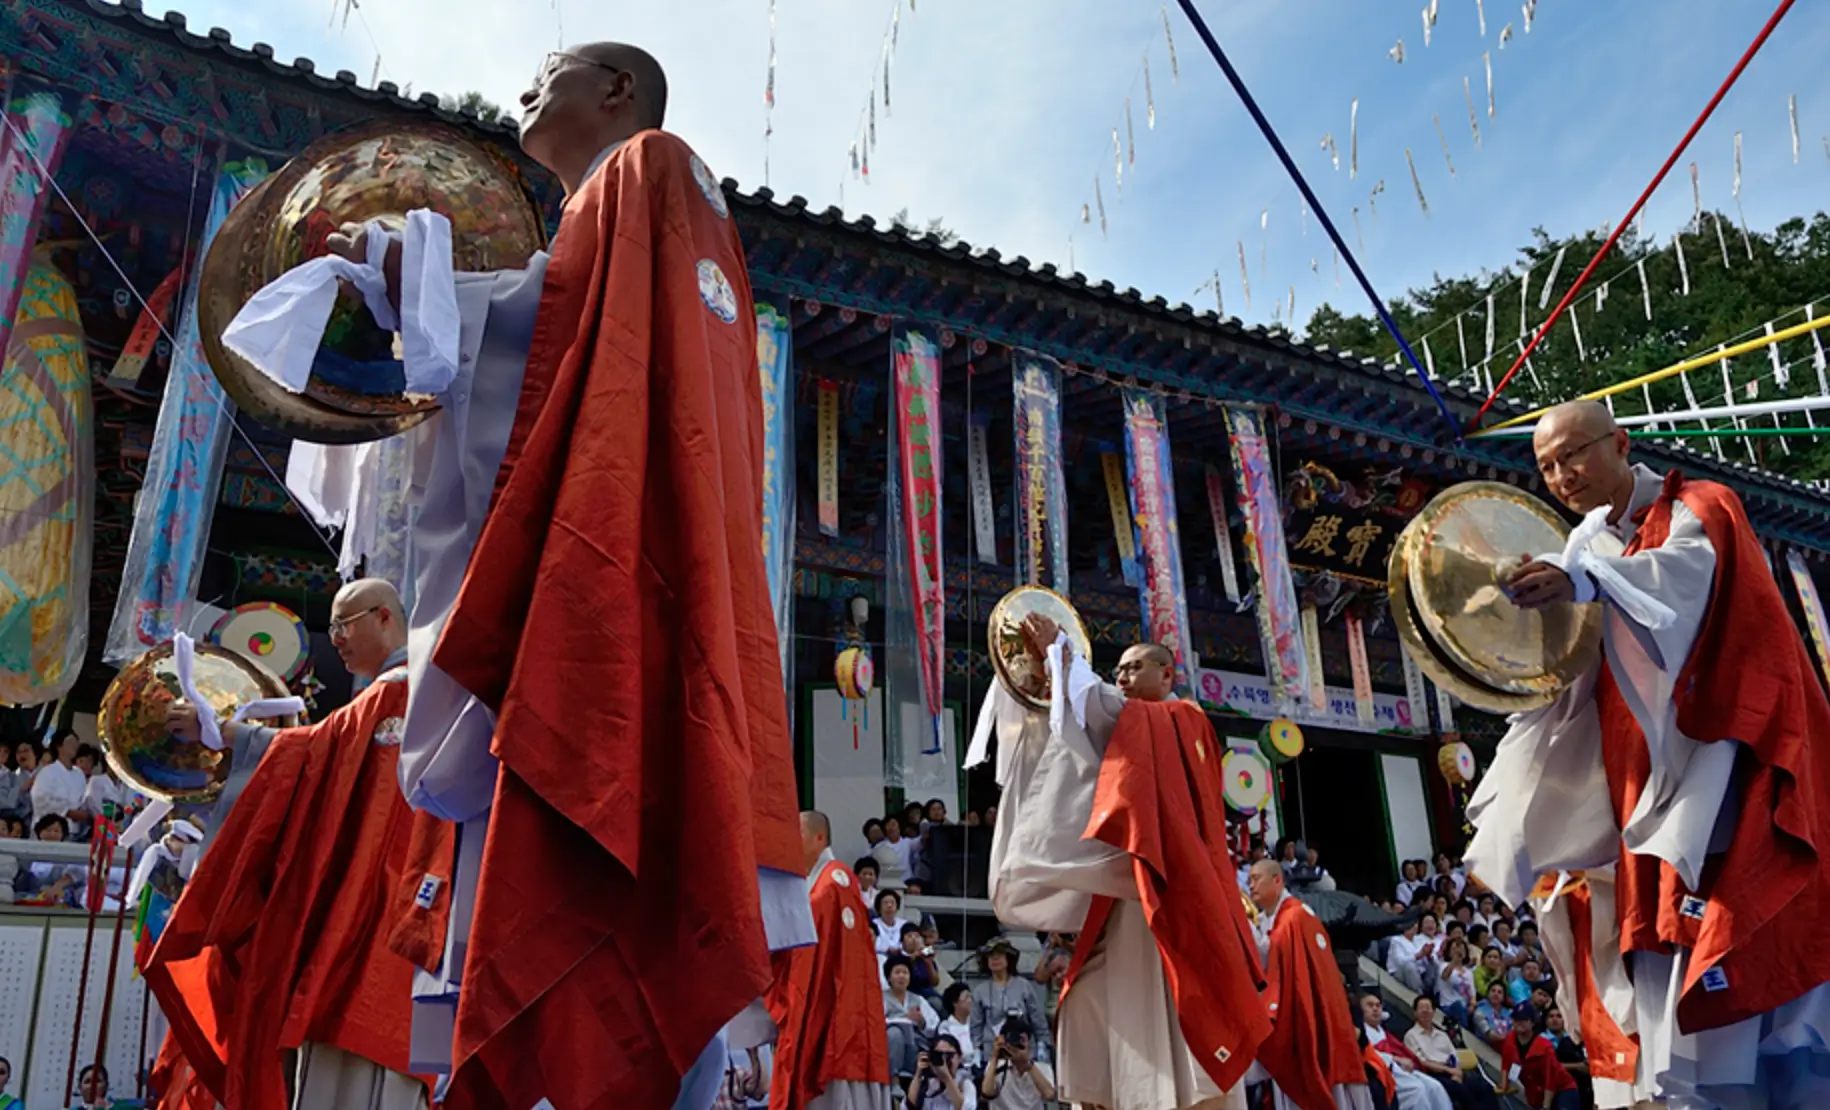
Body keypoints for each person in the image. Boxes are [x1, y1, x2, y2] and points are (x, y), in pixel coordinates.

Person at [306, 41, 815, 1110]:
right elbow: (575, 336)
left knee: (602, 845)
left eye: (552, 71)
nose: (522, 89)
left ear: (618, 91)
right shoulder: (685, 218)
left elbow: (552, 341)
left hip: (611, 568)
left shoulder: (643, 172)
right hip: (671, 565)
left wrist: (416, 278)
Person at [1473, 398, 1830, 1108]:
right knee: (1671, 989)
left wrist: (1585, 585)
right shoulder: (1585, 547)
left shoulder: (1702, 505)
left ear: (1621, 443)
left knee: (1757, 964)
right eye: (1546, 465)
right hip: (1639, 785)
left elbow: (1687, 586)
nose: (1562, 474)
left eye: (1573, 453)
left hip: (1722, 767)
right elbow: (1561, 669)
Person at [146, 578, 454, 1110]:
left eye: (343, 623)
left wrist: (220, 733)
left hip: (370, 922)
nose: (334, 638)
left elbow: (312, 756)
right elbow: (323, 752)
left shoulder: (395, 694)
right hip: (416, 917)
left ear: (384, 617)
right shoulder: (422, 693)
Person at [967, 622, 1267, 1110]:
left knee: (1167, 1000)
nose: (1122, 678)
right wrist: (1048, 692)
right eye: (1118, 670)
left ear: (1167, 674)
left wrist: (1063, 655)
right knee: (1087, 998)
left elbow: (1104, 712)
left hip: (1172, 888)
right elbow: (1089, 746)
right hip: (1138, 884)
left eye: (1133, 668)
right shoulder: (1144, 729)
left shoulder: (1180, 720)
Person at [762, 811, 890, 1110]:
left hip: (833, 1011)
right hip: (819, 1000)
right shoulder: (816, 883)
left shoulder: (833, 883)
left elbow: (815, 956)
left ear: (819, 839)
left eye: (798, 835)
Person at [1245, 859, 1371, 1110]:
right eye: (1249, 880)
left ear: (1277, 880)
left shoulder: (1294, 918)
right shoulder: (1276, 918)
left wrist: (1241, 923)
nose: (1251, 885)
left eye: (1256, 878)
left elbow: (1273, 962)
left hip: (1307, 1018)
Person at [1401, 998, 1500, 1110]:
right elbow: (1422, 1062)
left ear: (1434, 1011)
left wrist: (1457, 1072)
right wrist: (1448, 1071)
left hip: (1452, 1070)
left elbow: (1454, 1055)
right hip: (1433, 1075)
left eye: (1428, 1008)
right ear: (1415, 1013)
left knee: (1484, 1087)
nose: (1425, 1011)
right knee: (1462, 1092)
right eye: (1421, 1008)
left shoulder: (1442, 1034)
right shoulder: (1411, 1036)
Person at [1358, 995, 1451, 1110]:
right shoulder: (1361, 1032)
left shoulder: (1383, 1031)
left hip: (1400, 1069)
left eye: (1378, 1005)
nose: (1375, 1009)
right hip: (1383, 1072)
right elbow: (1367, 1055)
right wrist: (1395, 1059)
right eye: (1370, 1005)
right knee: (1417, 1090)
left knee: (1435, 1087)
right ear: (1361, 1009)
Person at [968, 938, 1051, 1066]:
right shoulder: (980, 991)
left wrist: (1042, 1044)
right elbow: (976, 1026)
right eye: (991, 956)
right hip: (993, 1054)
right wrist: (976, 1050)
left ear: (1008, 958)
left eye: (999, 955)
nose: (995, 959)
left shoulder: (1024, 986)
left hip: (1024, 1051)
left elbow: (1037, 1018)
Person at [1498, 1004, 1579, 1110]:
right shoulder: (1510, 1040)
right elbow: (1506, 1062)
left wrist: (1546, 1106)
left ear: (1532, 1023)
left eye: (1524, 1019)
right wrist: (1504, 1084)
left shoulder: (1544, 1046)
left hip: (1563, 1088)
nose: (1519, 1023)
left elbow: (1550, 1078)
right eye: (1516, 1019)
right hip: (1536, 1092)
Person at [977, 1016, 1056, 1110]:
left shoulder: (1042, 1067)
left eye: (1022, 1040)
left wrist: (1028, 1066)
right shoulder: (997, 1066)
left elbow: (1049, 1095)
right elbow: (987, 1093)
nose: (1018, 1043)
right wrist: (995, 1056)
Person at [884, 955, 940, 1084]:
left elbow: (933, 1025)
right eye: (897, 972)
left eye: (905, 973)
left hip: (915, 1044)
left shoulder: (918, 1000)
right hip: (890, 1045)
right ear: (889, 977)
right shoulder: (881, 998)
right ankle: (894, 1079)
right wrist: (901, 1019)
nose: (902, 976)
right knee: (894, 1033)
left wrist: (921, 1021)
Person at [30, 729, 87, 841]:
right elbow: (39, 799)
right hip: (49, 831)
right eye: (70, 742)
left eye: (76, 743)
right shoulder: (47, 771)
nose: (74, 746)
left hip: (74, 831)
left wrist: (83, 813)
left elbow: (83, 798)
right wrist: (67, 812)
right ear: (59, 746)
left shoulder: (79, 774)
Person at [907, 1034, 976, 1110]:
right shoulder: (926, 1084)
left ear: (959, 1058)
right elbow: (907, 1107)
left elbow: (968, 1108)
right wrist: (918, 1075)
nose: (944, 1060)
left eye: (949, 1055)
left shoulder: (965, 1084)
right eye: (939, 1055)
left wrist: (946, 1078)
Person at [1434, 938, 1476, 1028]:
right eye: (1454, 949)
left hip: (1465, 1007)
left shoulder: (1468, 972)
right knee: (1458, 1006)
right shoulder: (1443, 965)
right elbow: (1445, 976)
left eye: (1461, 949)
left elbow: (1472, 993)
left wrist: (1472, 1005)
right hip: (1448, 1005)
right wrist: (1454, 961)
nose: (1458, 951)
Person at [937, 983, 978, 1074]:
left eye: (971, 997)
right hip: (959, 1069)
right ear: (955, 1003)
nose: (970, 1001)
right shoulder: (945, 1027)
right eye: (966, 997)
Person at [1472, 983, 1512, 1051]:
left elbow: (1513, 1031)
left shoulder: (1509, 1014)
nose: (1496, 994)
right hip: (1483, 1050)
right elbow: (1489, 1035)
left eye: (1499, 992)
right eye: (1493, 991)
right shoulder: (1479, 1011)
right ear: (1488, 994)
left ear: (1503, 998)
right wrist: (1504, 1039)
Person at [874, 889, 909, 955]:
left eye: (892, 903)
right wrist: (887, 949)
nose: (889, 905)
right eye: (885, 903)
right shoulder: (873, 925)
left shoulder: (905, 924)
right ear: (879, 907)